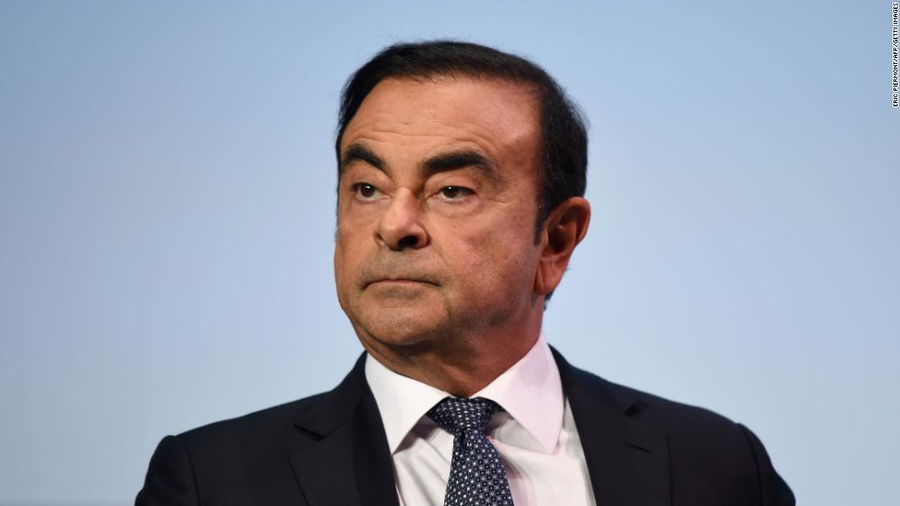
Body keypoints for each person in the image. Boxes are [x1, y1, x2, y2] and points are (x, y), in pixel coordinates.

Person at [136, 40, 794, 506]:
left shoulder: (715, 465)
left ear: (556, 240)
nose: (395, 225)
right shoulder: (211, 482)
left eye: (451, 190)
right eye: (366, 188)